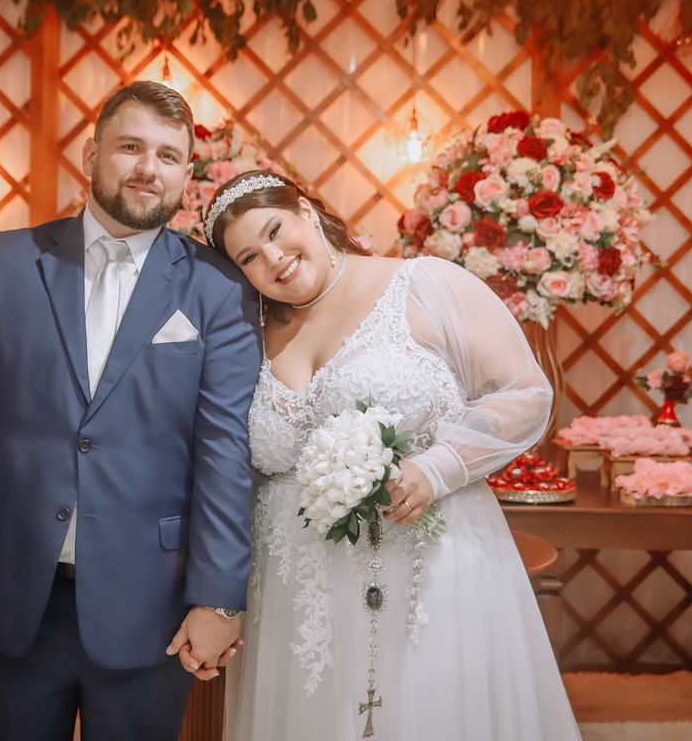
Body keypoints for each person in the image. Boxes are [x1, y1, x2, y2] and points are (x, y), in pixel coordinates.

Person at [0, 81, 263, 741]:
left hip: (151, 607)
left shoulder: (217, 288)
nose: (149, 168)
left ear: (186, 175)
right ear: (92, 154)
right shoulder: (3, 264)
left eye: (168, 156)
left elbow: (225, 455)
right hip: (7, 596)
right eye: (131, 147)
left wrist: (217, 597)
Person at [206, 171, 582, 740]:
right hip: (295, 601)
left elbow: (525, 393)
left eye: (276, 231)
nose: (274, 258)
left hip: (430, 570)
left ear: (306, 211)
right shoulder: (245, 333)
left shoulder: (425, 284)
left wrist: (438, 467)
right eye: (249, 257)